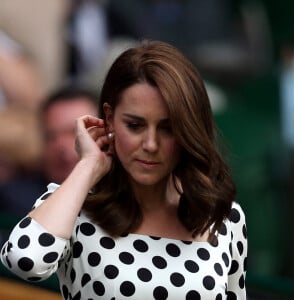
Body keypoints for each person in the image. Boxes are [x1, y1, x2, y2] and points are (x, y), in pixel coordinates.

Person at [0, 40, 247, 299]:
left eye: (167, 128)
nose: (150, 144)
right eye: (135, 125)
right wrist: (88, 165)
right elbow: (24, 260)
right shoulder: (75, 207)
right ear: (109, 119)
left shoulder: (225, 218)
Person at [0, 86, 98, 217]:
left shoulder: (127, 196)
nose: (61, 145)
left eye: (76, 132)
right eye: (51, 136)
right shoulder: (15, 201)